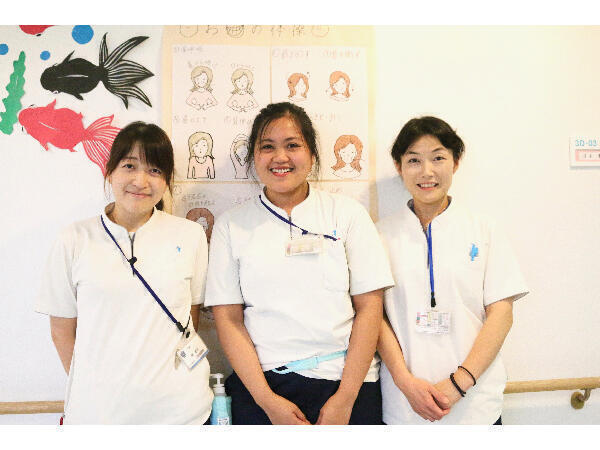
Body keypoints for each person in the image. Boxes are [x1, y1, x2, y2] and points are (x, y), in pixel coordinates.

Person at [204, 102, 394, 425]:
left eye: (292, 145)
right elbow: (228, 320)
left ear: (312, 155)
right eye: (267, 147)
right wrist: (267, 402)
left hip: (347, 382)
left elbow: (370, 308)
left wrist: (345, 399)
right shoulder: (231, 225)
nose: (280, 157)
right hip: (264, 387)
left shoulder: (347, 214)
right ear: (253, 157)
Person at [35, 122, 213, 424]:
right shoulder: (74, 238)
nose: (140, 180)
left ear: (167, 180)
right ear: (110, 172)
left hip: (182, 414)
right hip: (100, 416)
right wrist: (97, 390)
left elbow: (189, 318)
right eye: (129, 166)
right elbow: (61, 331)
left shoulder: (191, 235)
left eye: (155, 170)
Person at [376, 116, 529, 425]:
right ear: (398, 166)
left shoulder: (483, 230)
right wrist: (406, 383)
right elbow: (373, 317)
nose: (427, 171)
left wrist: (460, 382)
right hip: (405, 406)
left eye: (438, 158)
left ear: (456, 162)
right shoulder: (379, 235)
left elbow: (501, 313)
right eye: (414, 160)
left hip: (476, 405)